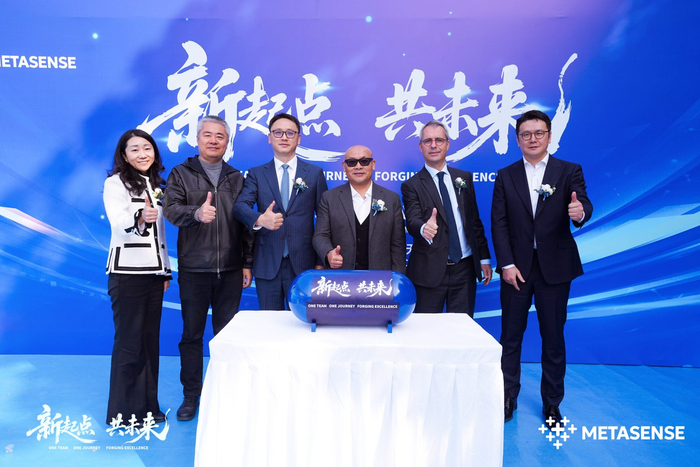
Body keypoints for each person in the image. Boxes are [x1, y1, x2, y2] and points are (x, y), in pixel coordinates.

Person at [491, 110, 593, 428]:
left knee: (553, 337)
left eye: (539, 133)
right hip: (516, 271)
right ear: (517, 139)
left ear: (549, 136)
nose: (532, 139)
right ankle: (507, 397)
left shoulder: (568, 170)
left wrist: (580, 212)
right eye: (526, 134)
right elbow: (499, 223)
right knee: (510, 337)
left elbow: (583, 204)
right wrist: (506, 264)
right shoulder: (506, 175)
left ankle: (551, 403)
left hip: (556, 269)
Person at [163, 115, 253, 421]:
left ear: (227, 142)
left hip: (230, 269)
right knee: (192, 335)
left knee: (226, 336)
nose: (214, 140)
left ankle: (227, 391)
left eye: (220, 136)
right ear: (197, 139)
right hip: (194, 268)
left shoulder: (236, 177)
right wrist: (196, 213)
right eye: (208, 135)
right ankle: (192, 395)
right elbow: (170, 209)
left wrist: (247, 263)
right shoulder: (180, 173)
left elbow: (245, 224)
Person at [104, 129, 171, 426]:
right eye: (135, 149)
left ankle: (147, 407)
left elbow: (161, 235)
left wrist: (165, 270)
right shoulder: (115, 183)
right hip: (127, 273)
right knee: (129, 343)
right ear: (124, 155)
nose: (143, 154)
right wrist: (140, 217)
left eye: (147, 148)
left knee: (149, 342)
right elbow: (118, 222)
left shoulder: (156, 184)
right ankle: (123, 413)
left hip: (154, 275)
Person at [234, 113, 328, 310]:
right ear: (269, 138)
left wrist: (321, 262)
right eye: (278, 133)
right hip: (267, 262)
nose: (284, 137)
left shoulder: (314, 173)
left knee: (303, 322)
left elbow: (324, 220)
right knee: (270, 323)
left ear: (298, 138)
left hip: (304, 264)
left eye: (290, 133)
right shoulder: (256, 174)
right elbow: (240, 207)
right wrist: (260, 219)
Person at [401, 120, 492, 317]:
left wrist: (484, 258)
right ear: (421, 146)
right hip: (429, 271)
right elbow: (412, 220)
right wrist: (424, 228)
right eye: (428, 141)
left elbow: (474, 221)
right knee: (426, 330)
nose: (433, 145)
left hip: (465, 268)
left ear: (447, 144)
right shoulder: (411, 185)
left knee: (462, 329)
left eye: (439, 140)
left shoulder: (464, 178)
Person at [313, 145, 406, 272]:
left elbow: (398, 245)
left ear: (373, 164)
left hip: (380, 279)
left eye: (364, 161)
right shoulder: (329, 198)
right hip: (341, 277)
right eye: (352, 162)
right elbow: (320, 235)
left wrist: (397, 278)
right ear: (344, 167)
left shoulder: (391, 199)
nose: (358, 166)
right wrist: (328, 253)